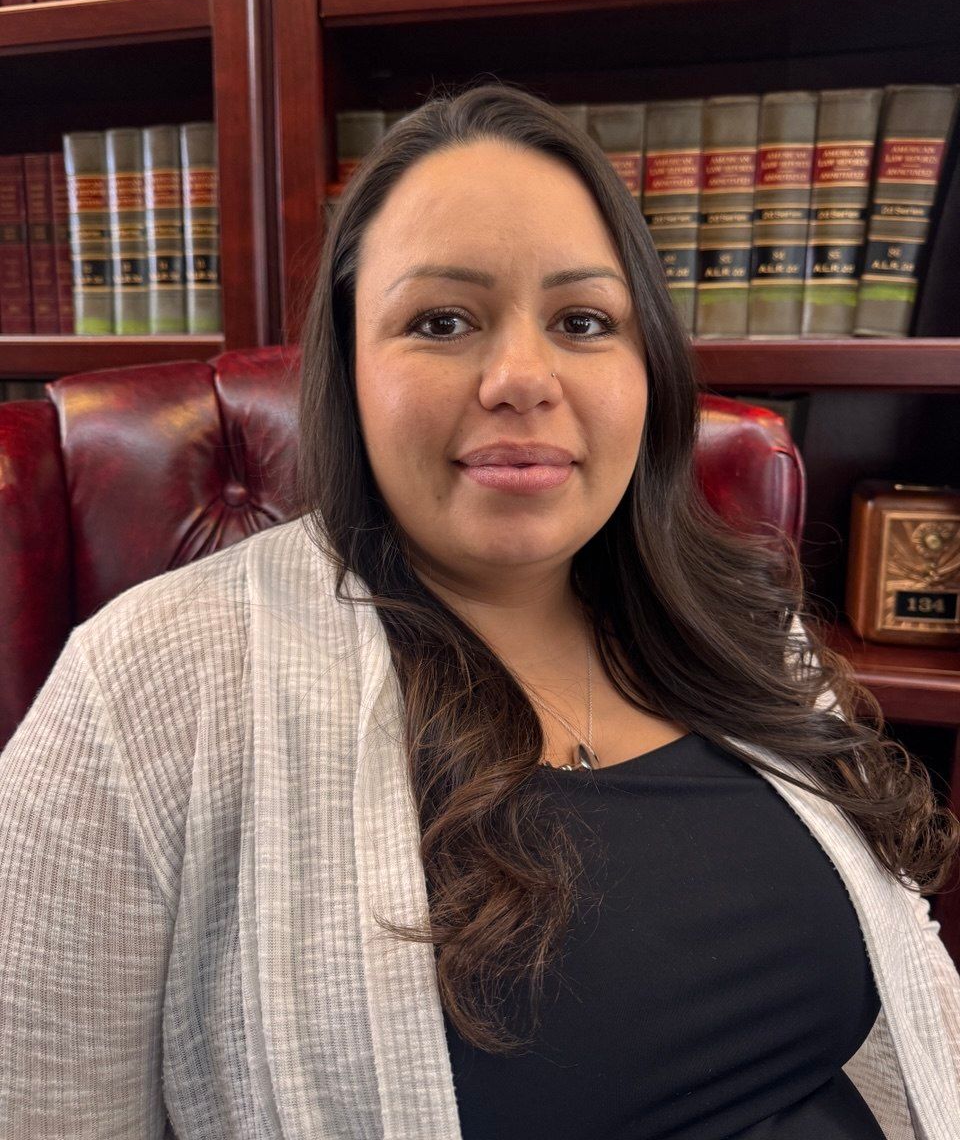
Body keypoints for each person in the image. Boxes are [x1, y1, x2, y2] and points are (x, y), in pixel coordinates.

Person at [1, 82, 959, 1139]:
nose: (521, 376)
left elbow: (918, 1016)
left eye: (583, 320)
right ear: (348, 372)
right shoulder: (148, 685)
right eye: (442, 319)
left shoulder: (743, 621)